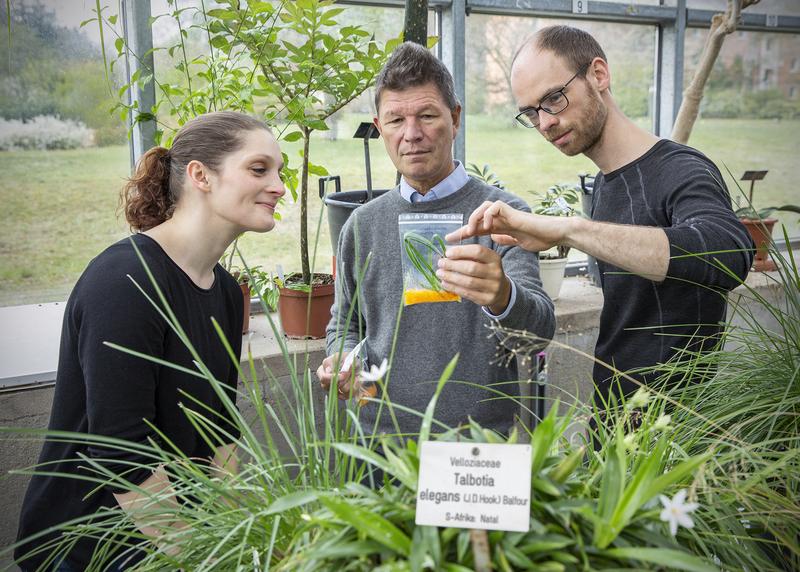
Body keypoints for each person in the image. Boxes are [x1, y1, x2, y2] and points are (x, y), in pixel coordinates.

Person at [15, 111, 286, 571]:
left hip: (175, 538)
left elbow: (218, 431)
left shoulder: (222, 289)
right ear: (200, 175)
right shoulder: (124, 282)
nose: (279, 186)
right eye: (259, 169)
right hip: (89, 549)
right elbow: (123, 458)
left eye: (278, 171)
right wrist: (206, 559)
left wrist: (249, 535)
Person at [453, 26, 753, 405]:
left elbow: (728, 254)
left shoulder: (681, 169)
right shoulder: (605, 183)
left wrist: (569, 229)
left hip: (675, 433)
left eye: (554, 99)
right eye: (531, 113)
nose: (545, 123)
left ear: (598, 74)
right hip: (614, 423)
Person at [316, 42, 556, 438]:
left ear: (455, 118)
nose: (412, 135)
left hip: (479, 446)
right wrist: (340, 356)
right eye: (395, 121)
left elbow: (536, 335)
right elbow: (345, 322)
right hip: (380, 444)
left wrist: (503, 295)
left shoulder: (502, 215)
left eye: (427, 115)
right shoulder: (361, 225)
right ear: (379, 128)